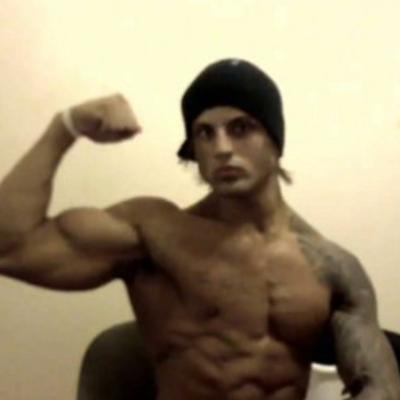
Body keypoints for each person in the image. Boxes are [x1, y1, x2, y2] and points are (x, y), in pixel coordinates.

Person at [0, 59, 399, 400]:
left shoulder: (332, 267)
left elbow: (379, 386)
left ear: (275, 142)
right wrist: (66, 126)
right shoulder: (153, 234)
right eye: (205, 133)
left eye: (240, 128)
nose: (221, 148)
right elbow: (11, 248)